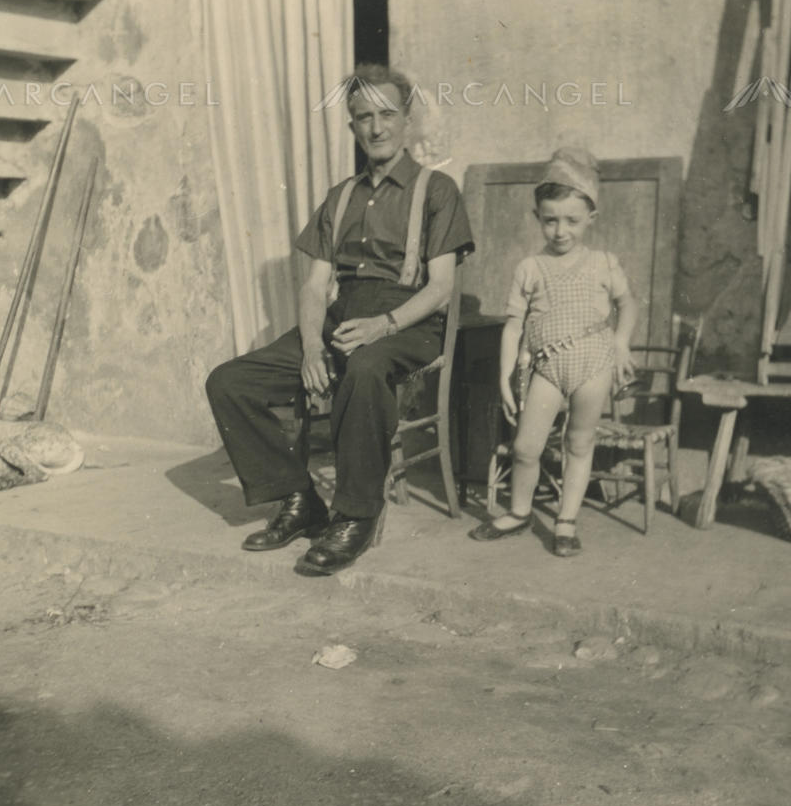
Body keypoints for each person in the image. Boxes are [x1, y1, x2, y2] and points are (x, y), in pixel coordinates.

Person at [206, 65, 474, 576]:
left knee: (366, 368)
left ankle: (355, 515)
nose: (376, 127)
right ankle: (299, 498)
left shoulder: (437, 190)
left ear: (408, 120)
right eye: (363, 117)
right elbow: (314, 286)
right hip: (342, 316)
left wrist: (384, 325)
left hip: (408, 321)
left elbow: (441, 288)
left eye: (386, 114)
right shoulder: (340, 196)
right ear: (352, 126)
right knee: (230, 382)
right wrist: (312, 346)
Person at [470, 147, 636, 557]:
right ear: (537, 217)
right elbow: (513, 326)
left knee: (579, 443)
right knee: (526, 447)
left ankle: (565, 521)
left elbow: (627, 304)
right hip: (547, 368)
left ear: (591, 218)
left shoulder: (603, 263)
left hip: (593, 364)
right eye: (550, 220)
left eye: (572, 221)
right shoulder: (529, 268)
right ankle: (519, 512)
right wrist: (506, 377)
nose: (561, 231)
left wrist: (621, 342)